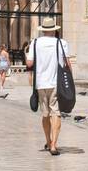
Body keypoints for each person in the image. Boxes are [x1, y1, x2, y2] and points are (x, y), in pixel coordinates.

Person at [24, 17, 72, 156]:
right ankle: (53, 145)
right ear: (54, 29)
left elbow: (29, 64)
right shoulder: (61, 43)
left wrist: (27, 54)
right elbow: (67, 64)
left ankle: (48, 140)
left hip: (40, 83)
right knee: (55, 112)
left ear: (43, 30)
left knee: (45, 113)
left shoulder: (35, 43)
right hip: (56, 82)